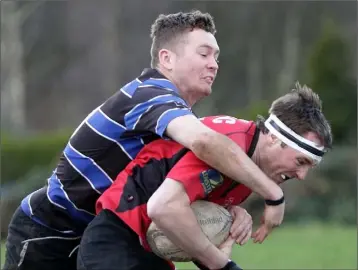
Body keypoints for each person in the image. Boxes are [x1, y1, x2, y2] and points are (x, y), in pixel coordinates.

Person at [4, 10, 284, 270]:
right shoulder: (150, 95)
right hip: (50, 229)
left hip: (105, 235)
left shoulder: (176, 113)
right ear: (167, 59)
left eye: (217, 57)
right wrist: (272, 194)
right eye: (204, 54)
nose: (214, 64)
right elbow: (206, 143)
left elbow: (172, 183)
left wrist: (230, 210)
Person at [76, 83, 333, 270]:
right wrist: (224, 265)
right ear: (275, 138)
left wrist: (224, 226)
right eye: (301, 162)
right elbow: (163, 208)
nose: (302, 175)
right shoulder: (227, 144)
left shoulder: (250, 170)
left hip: (146, 254)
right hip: (114, 242)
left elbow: (191, 224)